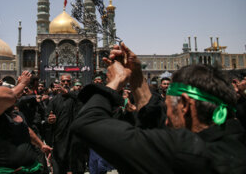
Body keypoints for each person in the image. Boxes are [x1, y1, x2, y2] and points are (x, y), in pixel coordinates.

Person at [71, 43, 246, 173]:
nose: (166, 119)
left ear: (185, 105)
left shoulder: (184, 153)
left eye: (168, 108)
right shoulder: (234, 139)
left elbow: (87, 123)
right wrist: (136, 75)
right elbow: (154, 115)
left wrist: (114, 81)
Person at [0, 104, 52, 173]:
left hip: (32, 168)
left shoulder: (19, 114)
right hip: (9, 171)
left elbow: (28, 131)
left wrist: (41, 145)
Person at [46, 74, 86, 174]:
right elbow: (47, 116)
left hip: (74, 139)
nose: (65, 83)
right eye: (63, 81)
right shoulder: (54, 100)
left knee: (75, 168)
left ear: (71, 83)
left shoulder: (76, 97)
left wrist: (68, 92)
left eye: (68, 81)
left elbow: (82, 101)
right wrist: (50, 120)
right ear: (60, 82)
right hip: (59, 139)